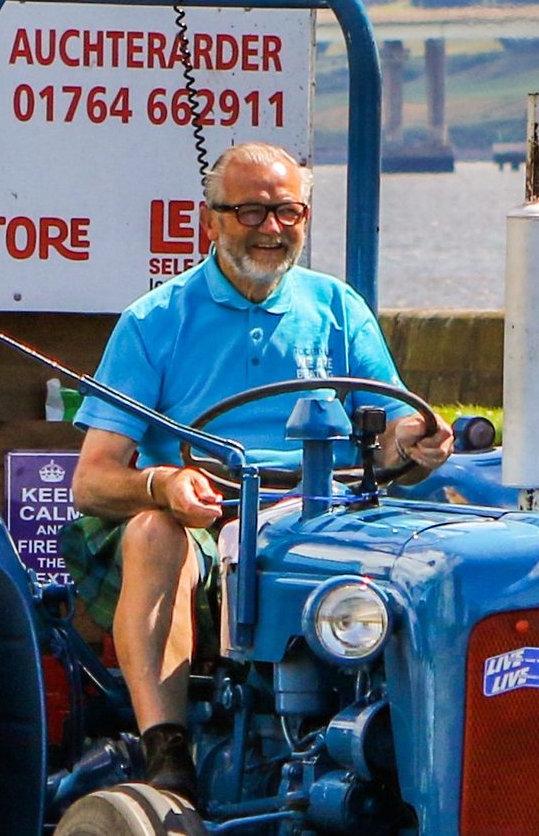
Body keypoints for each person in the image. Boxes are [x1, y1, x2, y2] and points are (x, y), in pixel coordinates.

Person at [66, 140, 451, 796]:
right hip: (200, 522)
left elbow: (385, 440)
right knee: (154, 534)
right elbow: (93, 480)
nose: (271, 228)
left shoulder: (337, 310)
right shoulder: (155, 321)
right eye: (250, 212)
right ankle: (169, 751)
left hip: (317, 518)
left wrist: (416, 442)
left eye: (287, 212)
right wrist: (162, 484)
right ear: (208, 219)